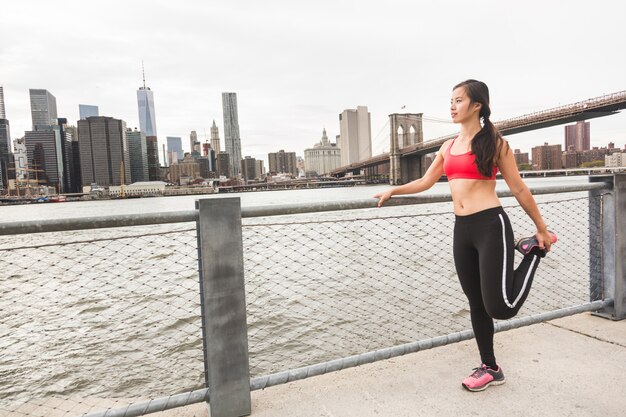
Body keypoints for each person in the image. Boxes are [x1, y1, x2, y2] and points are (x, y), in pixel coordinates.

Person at [374, 79, 557, 392]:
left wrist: (540, 228)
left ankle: (533, 252)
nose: (452, 105)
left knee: (501, 307)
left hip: (491, 226)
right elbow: (425, 181)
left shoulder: (496, 143)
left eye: (459, 100)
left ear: (477, 105)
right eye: (451, 100)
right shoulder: (448, 146)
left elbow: (518, 187)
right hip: (463, 230)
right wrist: (394, 189)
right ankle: (490, 367)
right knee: (476, 303)